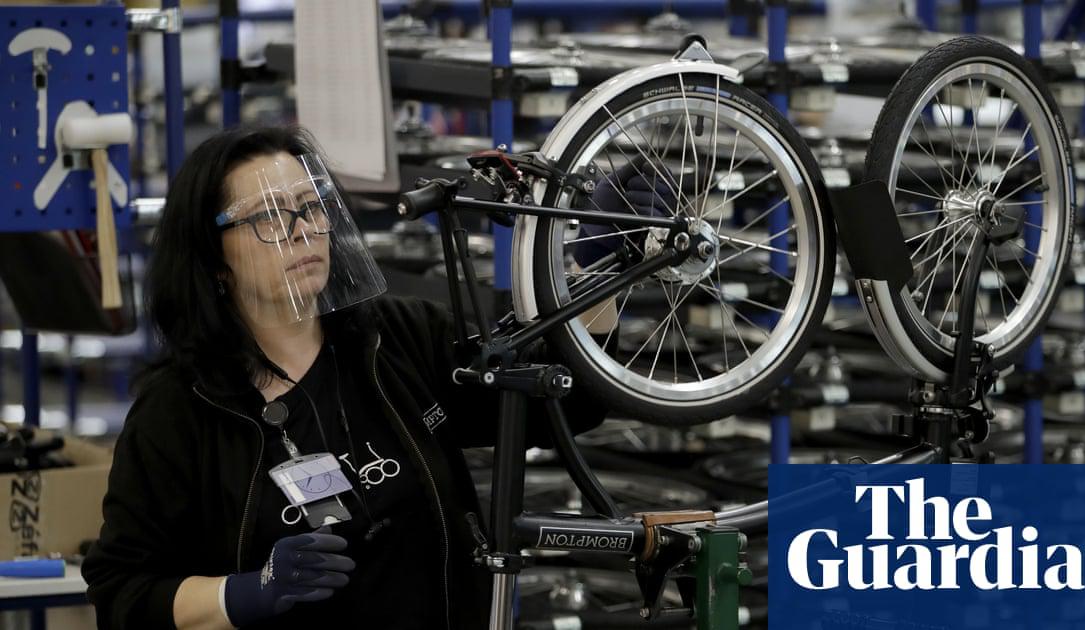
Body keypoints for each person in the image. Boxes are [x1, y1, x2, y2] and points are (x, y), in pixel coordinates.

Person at [81, 125, 668, 629]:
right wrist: (243, 593)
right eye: (268, 217)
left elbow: (557, 403)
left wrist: (597, 270)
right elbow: (122, 592)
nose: (302, 229)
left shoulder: (399, 338)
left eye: (310, 206)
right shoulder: (179, 410)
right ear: (213, 259)